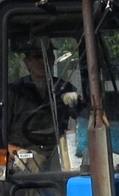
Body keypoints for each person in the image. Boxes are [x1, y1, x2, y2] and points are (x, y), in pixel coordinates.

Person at [7, 43, 81, 172]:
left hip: (59, 151)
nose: (43, 61)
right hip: (24, 155)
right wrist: (18, 152)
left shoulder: (63, 88)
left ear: (52, 60)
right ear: (27, 62)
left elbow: (83, 117)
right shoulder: (13, 93)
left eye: (47, 56)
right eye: (37, 57)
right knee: (36, 163)